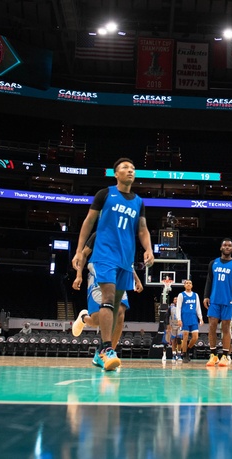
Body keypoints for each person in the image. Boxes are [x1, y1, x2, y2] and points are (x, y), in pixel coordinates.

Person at [72, 157, 154, 371]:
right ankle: (107, 350)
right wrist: (79, 251)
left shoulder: (138, 201)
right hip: (104, 256)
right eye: (125, 168)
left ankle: (101, 348)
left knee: (118, 311)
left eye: (133, 168)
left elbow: (143, 230)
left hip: (126, 261)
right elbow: (88, 222)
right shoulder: (105, 194)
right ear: (116, 174)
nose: (130, 170)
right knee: (108, 300)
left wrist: (148, 249)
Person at [71, 232, 144, 361]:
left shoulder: (125, 236)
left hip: (118, 275)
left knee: (120, 313)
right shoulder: (99, 233)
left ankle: (108, 354)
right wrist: (78, 275)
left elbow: (127, 261)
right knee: (98, 320)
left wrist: (136, 280)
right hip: (98, 275)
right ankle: (84, 318)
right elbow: (83, 254)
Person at [203, 239, 232, 367]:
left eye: (229, 245)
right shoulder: (213, 263)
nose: (227, 247)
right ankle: (213, 355)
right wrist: (206, 296)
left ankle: (225, 356)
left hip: (228, 300)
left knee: (225, 328)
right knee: (212, 327)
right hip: (214, 299)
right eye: (225, 245)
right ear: (221, 248)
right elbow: (209, 281)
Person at [176, 279, 203, 363]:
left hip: (193, 317)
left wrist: (200, 318)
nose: (188, 284)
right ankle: (184, 354)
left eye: (190, 283)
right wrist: (179, 319)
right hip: (185, 317)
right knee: (185, 336)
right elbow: (178, 308)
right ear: (184, 285)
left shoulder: (195, 295)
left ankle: (187, 349)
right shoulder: (181, 295)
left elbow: (198, 307)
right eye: (187, 283)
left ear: (192, 285)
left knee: (195, 337)